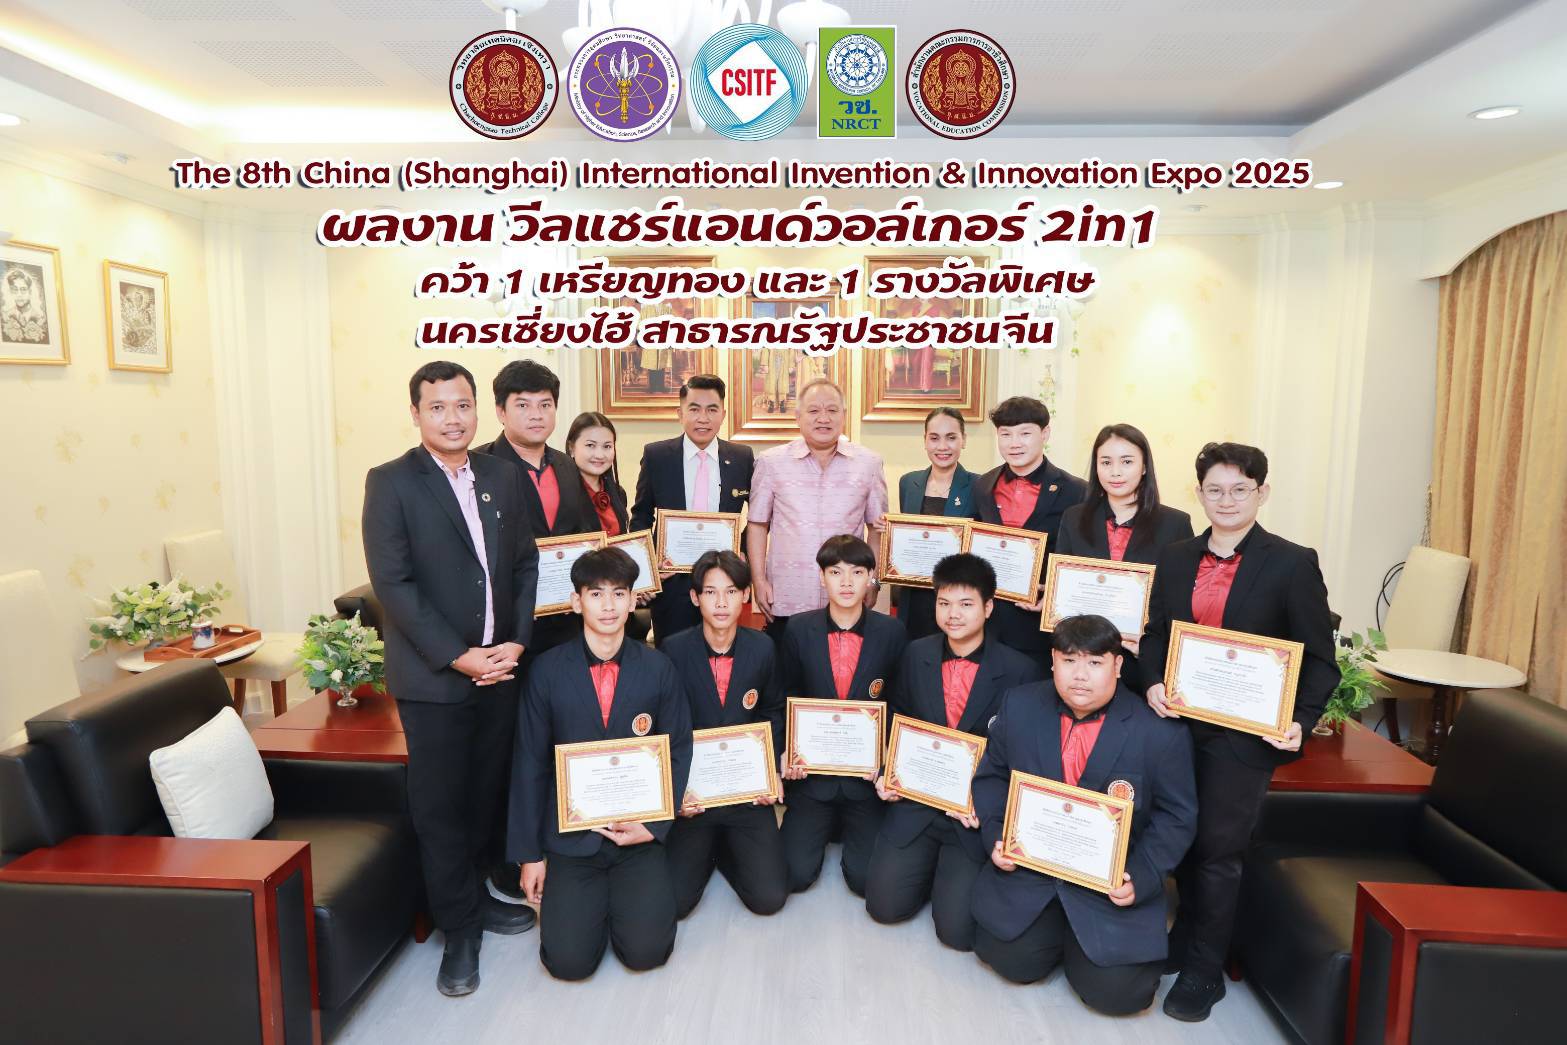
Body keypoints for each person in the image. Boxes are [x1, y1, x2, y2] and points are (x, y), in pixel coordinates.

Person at [1140, 442, 1340, 1022]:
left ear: (1262, 492)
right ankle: (1184, 939)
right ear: (1198, 494)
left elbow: (1319, 659)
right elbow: (1155, 635)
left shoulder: (1292, 562)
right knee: (1180, 836)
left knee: (1218, 850)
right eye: (1215, 490)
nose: (1226, 500)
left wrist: (1300, 720)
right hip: (1178, 724)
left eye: (1239, 489)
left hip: (1244, 736)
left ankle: (1206, 969)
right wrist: (1151, 682)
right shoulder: (1176, 556)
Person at [361, 360, 540, 997]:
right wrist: (457, 655)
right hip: (436, 678)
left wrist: (517, 639)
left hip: (501, 668)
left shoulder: (501, 475)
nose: (452, 418)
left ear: (477, 409)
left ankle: (475, 896)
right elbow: (394, 585)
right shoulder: (391, 482)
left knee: (484, 793)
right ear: (416, 413)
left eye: (462, 405)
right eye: (437, 407)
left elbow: (524, 564)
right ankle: (458, 929)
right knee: (439, 807)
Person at [970, 614, 1197, 1016]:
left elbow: (1177, 816)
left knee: (1120, 996)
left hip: (1108, 889)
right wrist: (996, 836)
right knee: (1010, 960)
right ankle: (1057, 931)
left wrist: (1141, 876)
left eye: (1095, 662)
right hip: (1033, 871)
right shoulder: (1019, 705)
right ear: (1052, 661)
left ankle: (1081, 940)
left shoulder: (1159, 731)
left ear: (1118, 665)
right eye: (1069, 660)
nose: (1080, 675)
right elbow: (991, 777)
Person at [508, 547, 693, 981]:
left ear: (632, 601)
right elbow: (529, 763)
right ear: (576, 602)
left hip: (638, 835)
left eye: (619, 593)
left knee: (648, 953)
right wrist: (529, 856)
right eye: (596, 594)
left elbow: (679, 749)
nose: (608, 605)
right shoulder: (546, 672)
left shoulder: (659, 668)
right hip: (572, 840)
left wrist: (655, 826)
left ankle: (624, 903)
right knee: (568, 963)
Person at [864, 553, 1039, 950]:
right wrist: (887, 772)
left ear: (988, 607)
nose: (953, 614)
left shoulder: (1020, 671)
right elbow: (898, 719)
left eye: (965, 604)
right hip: (916, 801)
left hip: (971, 815)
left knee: (957, 933)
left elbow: (1023, 756)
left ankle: (947, 876)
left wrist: (992, 807)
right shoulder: (915, 653)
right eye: (943, 603)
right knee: (884, 907)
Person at [778, 535, 908, 896]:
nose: (846, 582)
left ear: (871, 578)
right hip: (813, 778)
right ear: (822, 578)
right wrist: (787, 751)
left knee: (866, 881)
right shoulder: (798, 629)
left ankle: (844, 828)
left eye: (857, 572)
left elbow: (900, 702)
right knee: (794, 875)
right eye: (836, 572)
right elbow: (786, 695)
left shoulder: (892, 632)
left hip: (865, 782)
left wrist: (888, 762)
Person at [661, 550, 788, 919]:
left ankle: (725, 851)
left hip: (746, 792)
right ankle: (708, 849)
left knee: (769, 899)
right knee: (674, 903)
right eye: (711, 592)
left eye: (731, 592)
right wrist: (675, 791)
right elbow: (665, 725)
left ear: (745, 595)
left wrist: (769, 773)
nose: (721, 602)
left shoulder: (762, 648)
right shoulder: (673, 650)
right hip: (694, 795)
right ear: (694, 597)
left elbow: (772, 711)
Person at [747, 379, 889, 640]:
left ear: (844, 415)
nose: (823, 418)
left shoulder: (869, 464)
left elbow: (877, 528)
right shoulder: (771, 462)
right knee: (788, 664)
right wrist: (759, 580)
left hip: (847, 596)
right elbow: (757, 524)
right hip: (787, 595)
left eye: (832, 410)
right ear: (798, 417)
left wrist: (873, 581)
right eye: (813, 410)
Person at [1056, 423, 1194, 690]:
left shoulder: (1175, 524)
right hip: (1083, 659)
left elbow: (1179, 605)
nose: (1115, 472)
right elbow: (1064, 590)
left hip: (1145, 664)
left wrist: (1151, 650)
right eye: (1106, 462)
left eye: (1127, 462)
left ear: (1144, 467)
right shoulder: (1073, 518)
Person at [629, 374, 754, 645]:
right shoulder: (657, 456)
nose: (703, 418)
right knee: (672, 657)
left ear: (723, 414)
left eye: (712, 410)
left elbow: (757, 516)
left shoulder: (742, 457)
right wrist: (649, 567)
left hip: (724, 584)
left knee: (722, 656)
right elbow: (640, 516)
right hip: (672, 585)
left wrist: (742, 549)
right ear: (680, 413)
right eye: (694, 409)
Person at [971, 397, 1088, 655]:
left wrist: (1055, 595)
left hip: (1040, 620)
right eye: (1006, 434)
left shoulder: (1076, 490)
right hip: (990, 616)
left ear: (1045, 433)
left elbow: (1082, 558)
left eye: (1025, 433)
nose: (1014, 443)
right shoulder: (983, 485)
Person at [893, 407, 977, 640]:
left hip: (957, 600)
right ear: (925, 441)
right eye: (934, 438)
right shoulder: (908, 483)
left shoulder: (979, 486)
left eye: (951, 438)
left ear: (963, 440)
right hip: (914, 597)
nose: (942, 446)